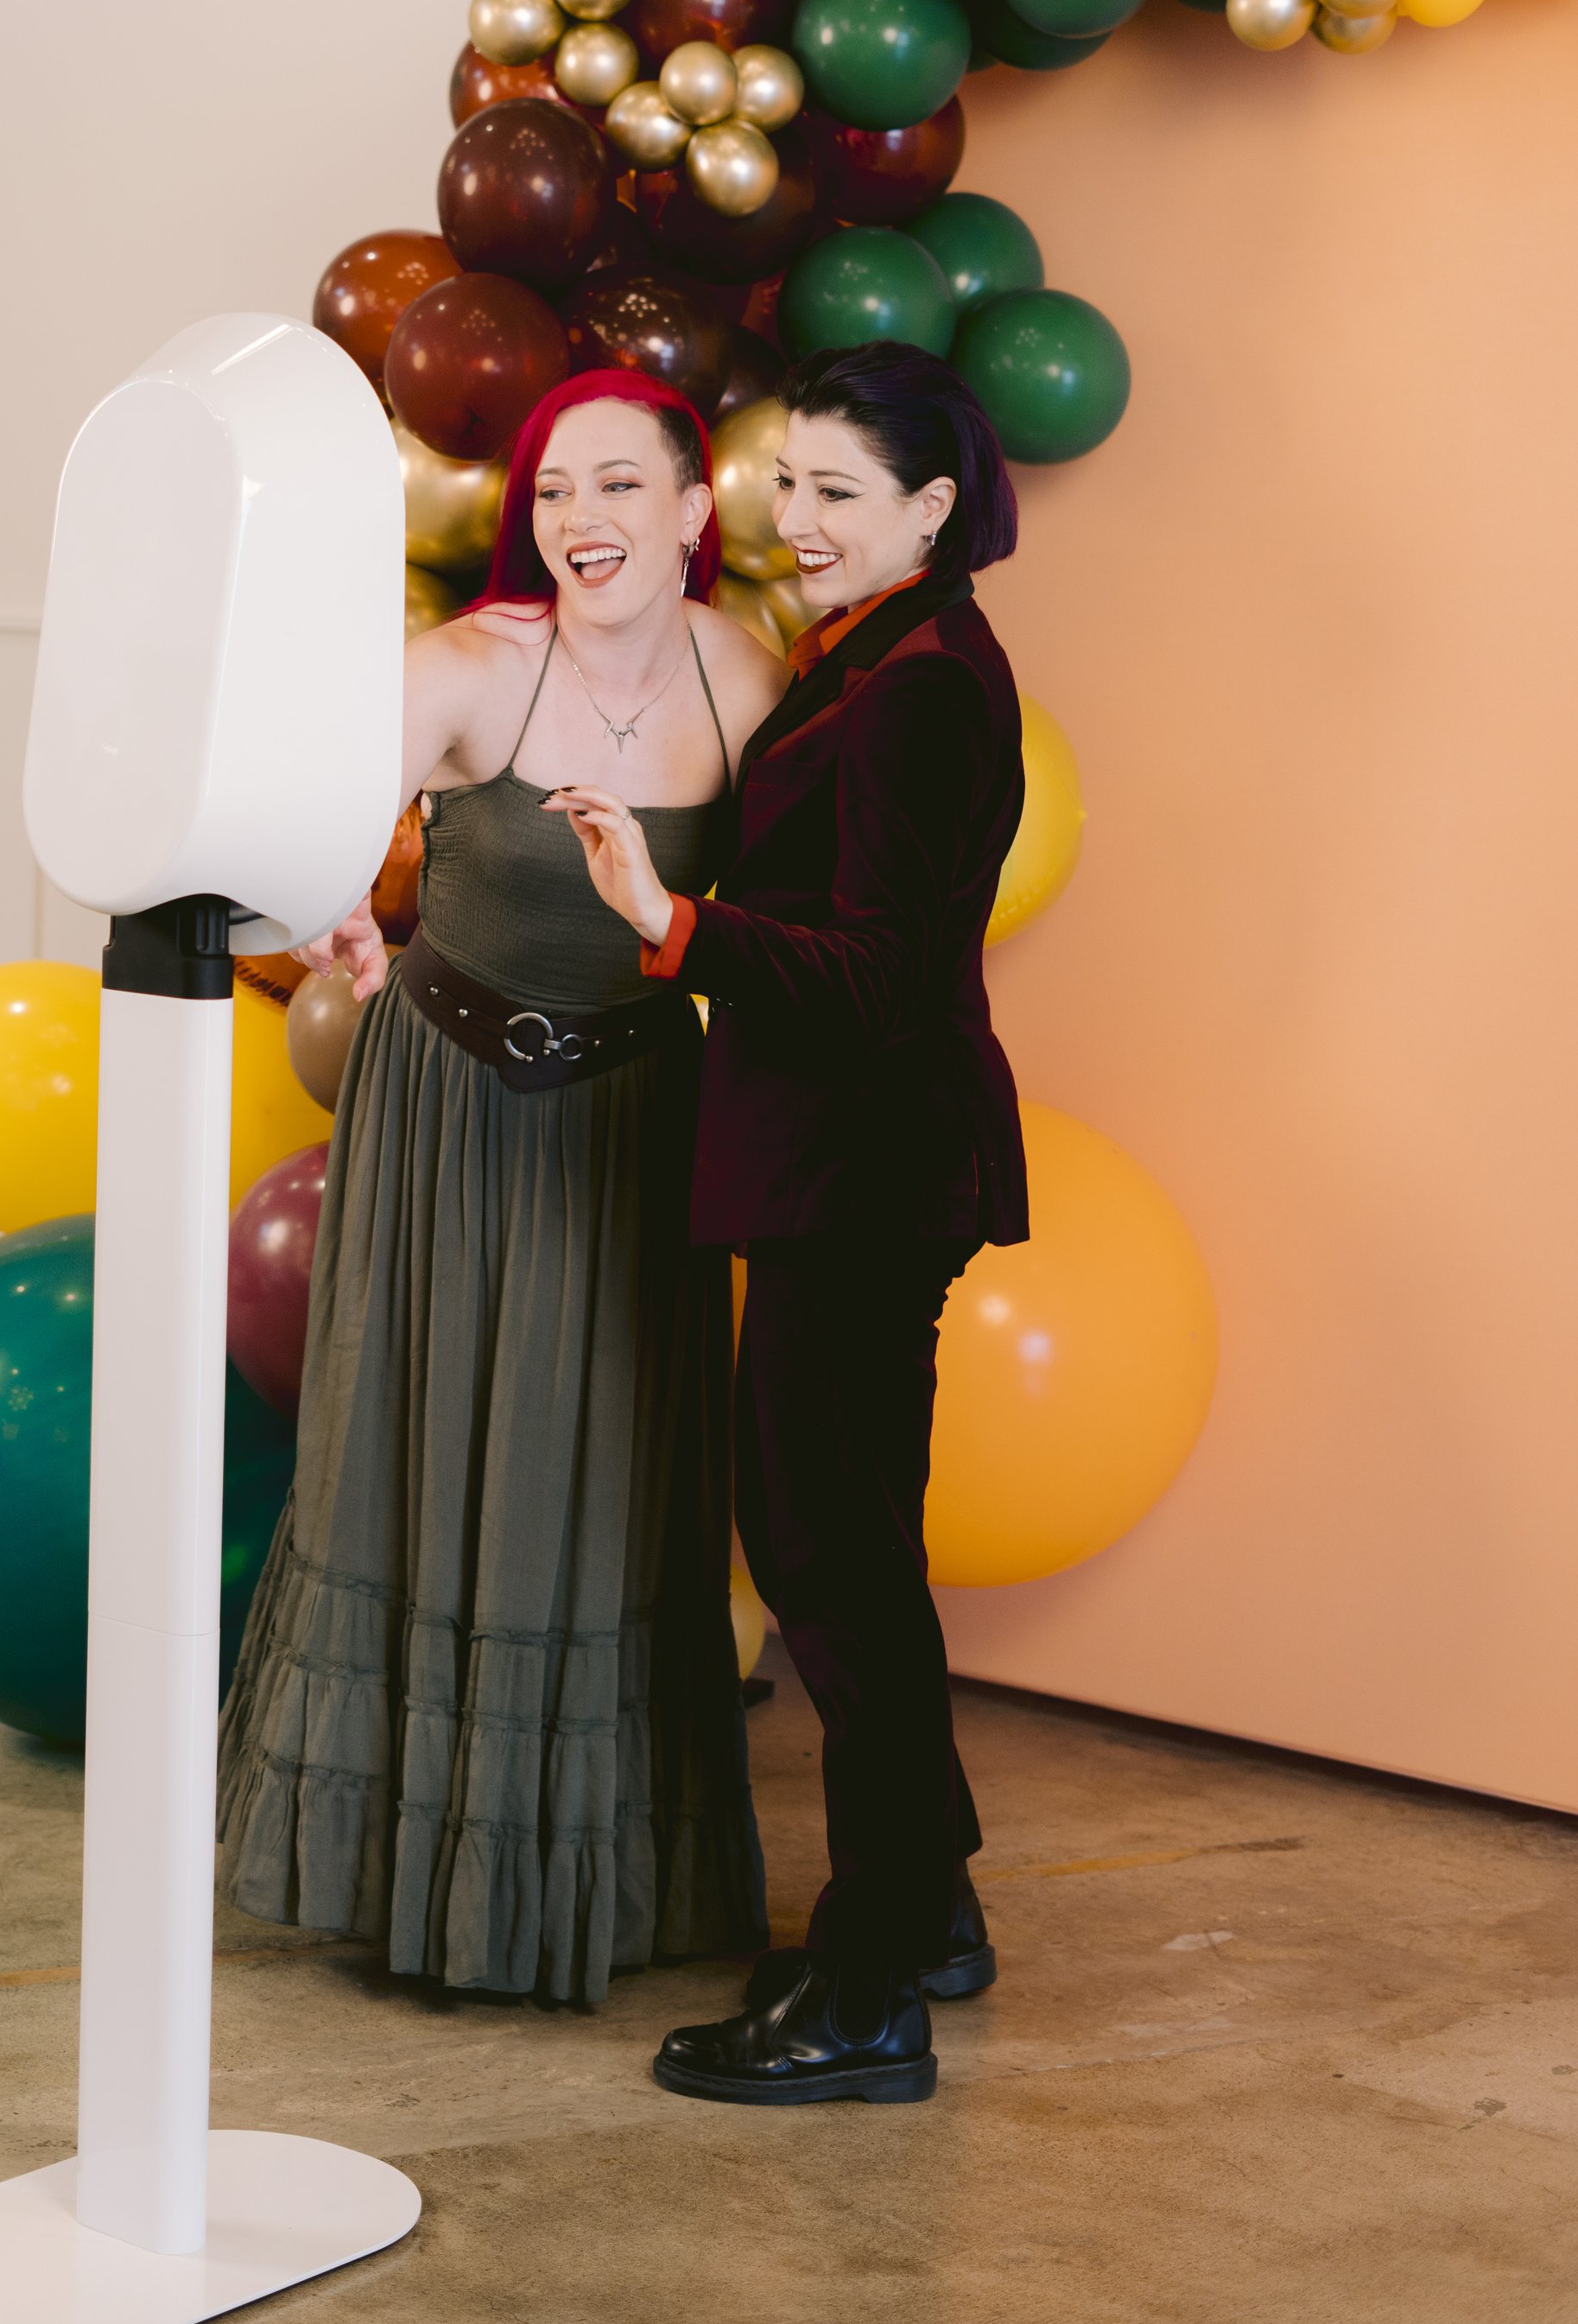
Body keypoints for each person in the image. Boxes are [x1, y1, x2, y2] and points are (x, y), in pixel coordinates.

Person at [217, 366, 789, 2006]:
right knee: (435, 1454)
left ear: (693, 508)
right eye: (552, 490)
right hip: (453, 1107)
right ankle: (412, 1875)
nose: (579, 520)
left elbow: (794, 913)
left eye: (619, 485)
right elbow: (294, 839)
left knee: (601, 1466)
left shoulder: (747, 676)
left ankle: (596, 1879)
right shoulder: (468, 667)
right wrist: (333, 907)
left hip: (636, 1120)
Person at [551, 340, 1029, 2105]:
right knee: (846, 1557)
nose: (798, 519)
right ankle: (928, 1912)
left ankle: (867, 1993)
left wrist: (666, 924)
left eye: (838, 493)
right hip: (847, 1169)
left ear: (927, 507)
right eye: (785, 484)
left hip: (863, 1173)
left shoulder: (922, 684)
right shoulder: (885, 653)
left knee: (826, 1563)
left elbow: (883, 974)